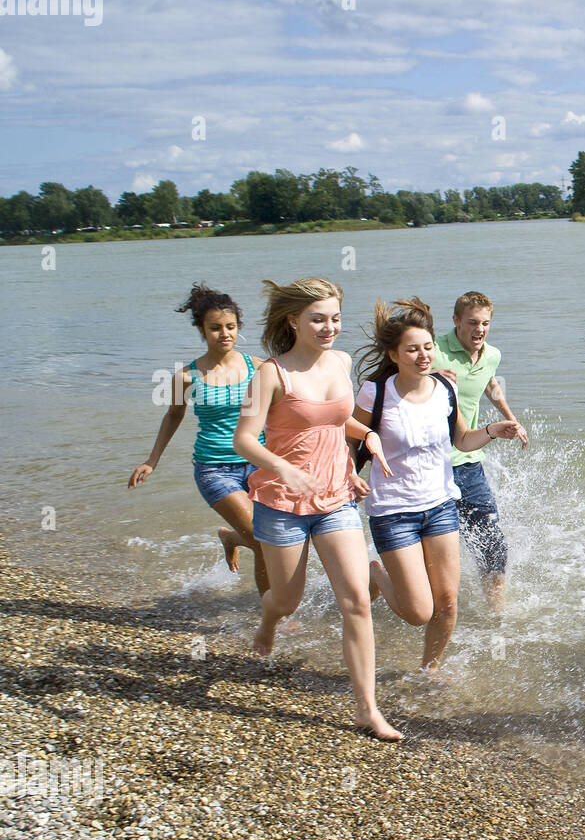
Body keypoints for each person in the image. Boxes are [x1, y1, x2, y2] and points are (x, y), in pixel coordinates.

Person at [231, 276, 402, 741]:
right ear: (294, 320)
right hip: (282, 501)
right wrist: (283, 470)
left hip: (335, 499)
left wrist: (361, 438)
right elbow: (244, 439)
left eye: (335, 318)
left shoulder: (341, 362)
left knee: (356, 603)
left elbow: (331, 418)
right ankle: (268, 620)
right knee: (287, 600)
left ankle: (367, 709)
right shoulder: (271, 373)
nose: (330, 328)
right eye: (318, 319)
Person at [351, 298, 522, 673]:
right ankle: (377, 572)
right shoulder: (375, 392)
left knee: (446, 604)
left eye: (427, 346)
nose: (423, 354)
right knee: (418, 611)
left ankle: (430, 668)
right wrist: (350, 472)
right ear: (394, 354)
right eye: (412, 349)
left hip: (441, 505)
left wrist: (494, 430)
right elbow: (349, 437)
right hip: (394, 511)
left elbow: (461, 440)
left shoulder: (444, 389)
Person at [128, 283, 269, 594]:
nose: (225, 334)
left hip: (259, 463)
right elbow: (173, 416)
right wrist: (152, 460)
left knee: (272, 540)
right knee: (262, 540)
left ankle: (233, 539)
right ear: (202, 331)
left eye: (230, 326)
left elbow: (282, 412)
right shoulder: (187, 376)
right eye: (215, 328)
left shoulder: (258, 367)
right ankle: (276, 619)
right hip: (214, 469)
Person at [434, 292, 527, 613]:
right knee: (432, 543)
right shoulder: (432, 351)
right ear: (456, 320)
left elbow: (491, 384)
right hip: (431, 466)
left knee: (492, 543)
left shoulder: (491, 355)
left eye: (486, 323)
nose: (480, 329)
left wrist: (513, 419)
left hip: (469, 463)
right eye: (472, 322)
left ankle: (494, 610)